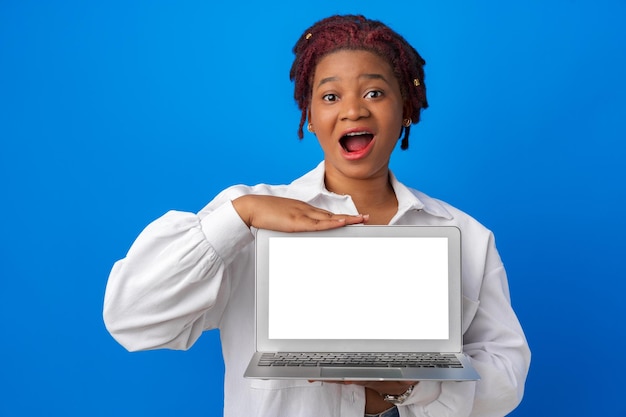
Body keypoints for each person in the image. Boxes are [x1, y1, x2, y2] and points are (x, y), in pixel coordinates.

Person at [103, 14, 530, 417]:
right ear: (310, 116)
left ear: (406, 110)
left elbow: (506, 378)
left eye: (375, 93)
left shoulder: (465, 235)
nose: (353, 110)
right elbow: (132, 317)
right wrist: (242, 216)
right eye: (330, 96)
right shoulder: (247, 218)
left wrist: (411, 384)